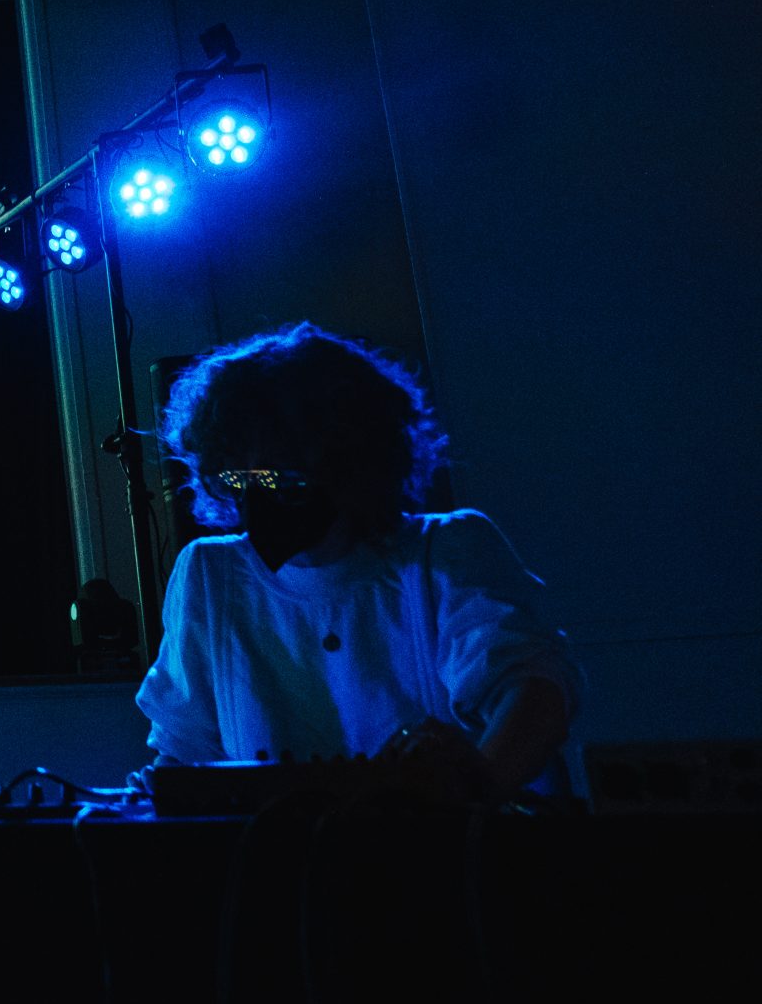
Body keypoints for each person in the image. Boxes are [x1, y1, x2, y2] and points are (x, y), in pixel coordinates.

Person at [135, 323, 581, 802]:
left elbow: (534, 689)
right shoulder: (210, 575)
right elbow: (183, 751)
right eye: (242, 479)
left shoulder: (445, 550)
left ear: (349, 459)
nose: (259, 498)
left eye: (281, 479)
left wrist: (473, 789)